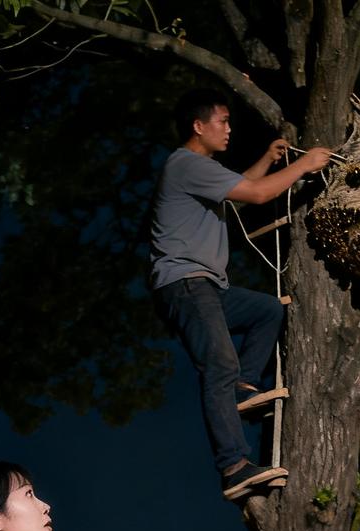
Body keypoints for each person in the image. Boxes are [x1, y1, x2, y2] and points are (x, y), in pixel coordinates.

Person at [149, 88, 333, 502]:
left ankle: (242, 387)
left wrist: (269, 160)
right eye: (223, 122)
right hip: (187, 285)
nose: (229, 130)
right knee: (219, 365)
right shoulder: (186, 164)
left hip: (209, 286)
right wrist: (304, 164)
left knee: (267, 310)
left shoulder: (203, 169)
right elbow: (259, 194)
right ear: (199, 126)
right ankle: (234, 467)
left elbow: (245, 184)